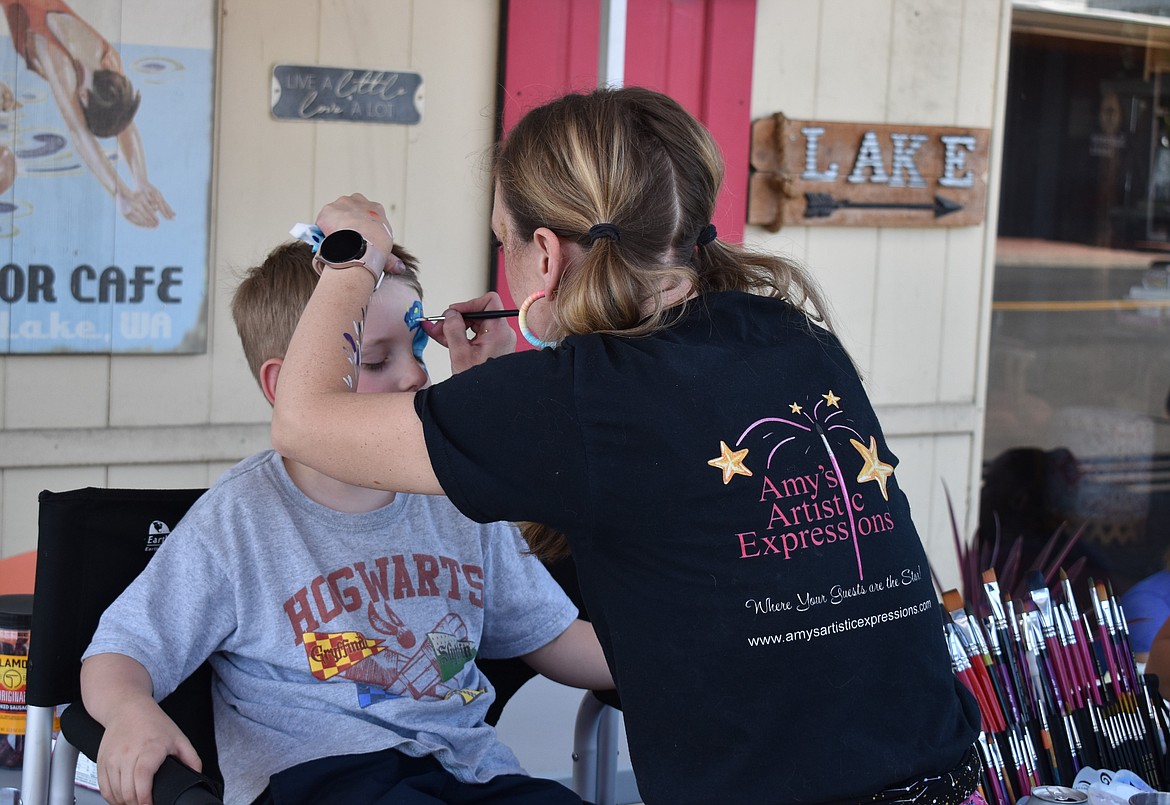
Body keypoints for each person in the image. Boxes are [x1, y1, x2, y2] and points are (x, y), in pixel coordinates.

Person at [271, 86, 984, 804]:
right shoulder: (794, 338)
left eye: (503, 240)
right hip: (948, 776)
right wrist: (487, 389)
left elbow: (302, 423)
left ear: (544, 256)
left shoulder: (583, 395)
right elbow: (657, 524)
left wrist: (352, 258)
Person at [80, 238, 612, 805]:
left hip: (469, 770)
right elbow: (121, 651)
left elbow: (549, 635)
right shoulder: (240, 520)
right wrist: (131, 713)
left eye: (414, 349)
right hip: (319, 779)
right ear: (286, 387)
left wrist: (683, 653)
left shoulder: (454, 488)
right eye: (378, 359)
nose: (413, 376)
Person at [0, 0, 173, 226]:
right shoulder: (59, 62)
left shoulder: (108, 64)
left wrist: (141, 181)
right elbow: (79, 132)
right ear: (83, 97)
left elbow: (123, 120)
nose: (78, 101)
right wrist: (121, 193)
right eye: (82, 104)